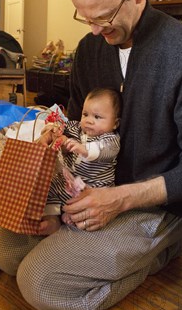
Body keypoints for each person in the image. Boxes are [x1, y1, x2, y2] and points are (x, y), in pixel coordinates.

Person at [0, 0, 182, 310]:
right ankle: (91, 251)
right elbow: (75, 118)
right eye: (85, 18)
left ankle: (160, 252)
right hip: (87, 189)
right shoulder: (90, 48)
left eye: (104, 16)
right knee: (4, 251)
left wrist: (120, 200)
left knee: (39, 283)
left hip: (152, 205)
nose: (97, 29)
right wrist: (54, 135)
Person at [39, 87, 121, 236]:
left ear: (115, 123)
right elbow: (62, 125)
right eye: (85, 114)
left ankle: (74, 217)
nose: (89, 120)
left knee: (88, 207)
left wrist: (84, 149)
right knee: (47, 186)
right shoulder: (76, 128)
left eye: (97, 117)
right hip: (67, 182)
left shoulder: (110, 139)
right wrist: (53, 130)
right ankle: (52, 219)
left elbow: (103, 149)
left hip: (91, 188)